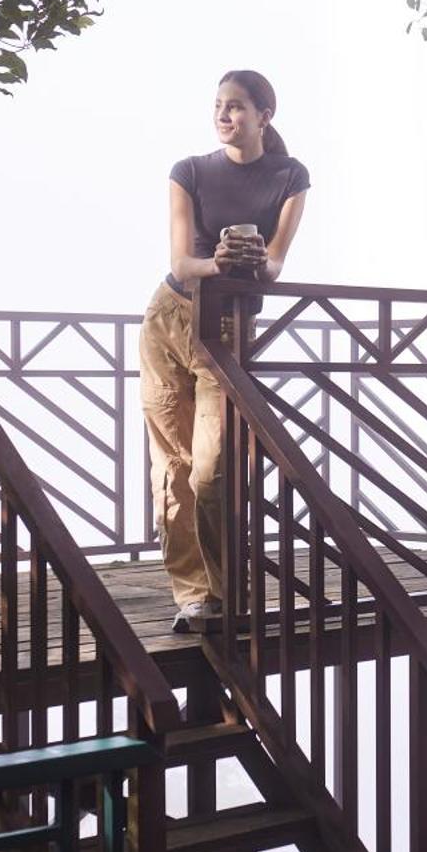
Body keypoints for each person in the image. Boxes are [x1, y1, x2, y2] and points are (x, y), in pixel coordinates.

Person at [140, 70, 309, 629]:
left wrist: (252, 260)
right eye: (218, 105)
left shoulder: (290, 176)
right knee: (172, 468)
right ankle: (194, 597)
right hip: (169, 317)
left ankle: (228, 594)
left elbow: (278, 265)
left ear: (265, 115)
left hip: (229, 329)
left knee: (213, 471)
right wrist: (218, 262)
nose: (223, 115)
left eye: (235, 107)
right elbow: (183, 263)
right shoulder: (188, 171)